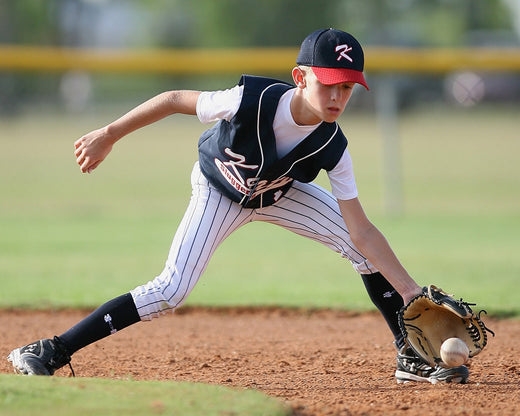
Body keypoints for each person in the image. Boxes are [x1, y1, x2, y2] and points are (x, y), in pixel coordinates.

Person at [7, 28, 469, 384]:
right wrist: (108, 134)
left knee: (361, 250)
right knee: (171, 289)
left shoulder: (334, 146)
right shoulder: (250, 101)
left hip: (278, 193)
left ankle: (408, 355)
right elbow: (172, 100)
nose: (336, 97)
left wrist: (411, 292)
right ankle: (50, 350)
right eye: (327, 83)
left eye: (346, 88)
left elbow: (363, 230)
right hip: (218, 189)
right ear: (300, 77)